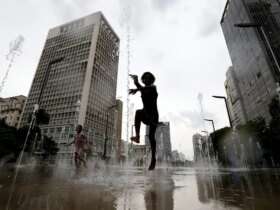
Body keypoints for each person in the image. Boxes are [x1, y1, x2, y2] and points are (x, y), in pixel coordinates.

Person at [129, 72, 159, 170]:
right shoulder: (144, 89)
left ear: (151, 80)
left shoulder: (153, 88)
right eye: (144, 78)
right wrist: (136, 89)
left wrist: (136, 83)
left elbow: (145, 91)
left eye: (148, 78)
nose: (146, 80)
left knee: (151, 136)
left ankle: (153, 159)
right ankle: (137, 137)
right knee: (138, 112)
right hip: (145, 114)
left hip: (153, 116)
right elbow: (143, 89)